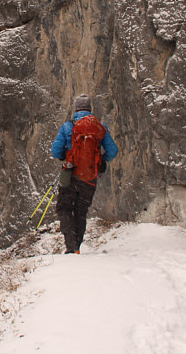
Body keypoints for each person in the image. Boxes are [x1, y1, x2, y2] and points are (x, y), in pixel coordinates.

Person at [50, 93, 118, 254]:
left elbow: (55, 151)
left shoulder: (68, 126)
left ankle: (71, 247)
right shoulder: (100, 127)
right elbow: (113, 151)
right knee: (81, 211)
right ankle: (77, 246)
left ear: (76, 108)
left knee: (64, 208)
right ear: (89, 108)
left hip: (71, 176)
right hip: (90, 177)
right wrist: (100, 160)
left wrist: (65, 156)